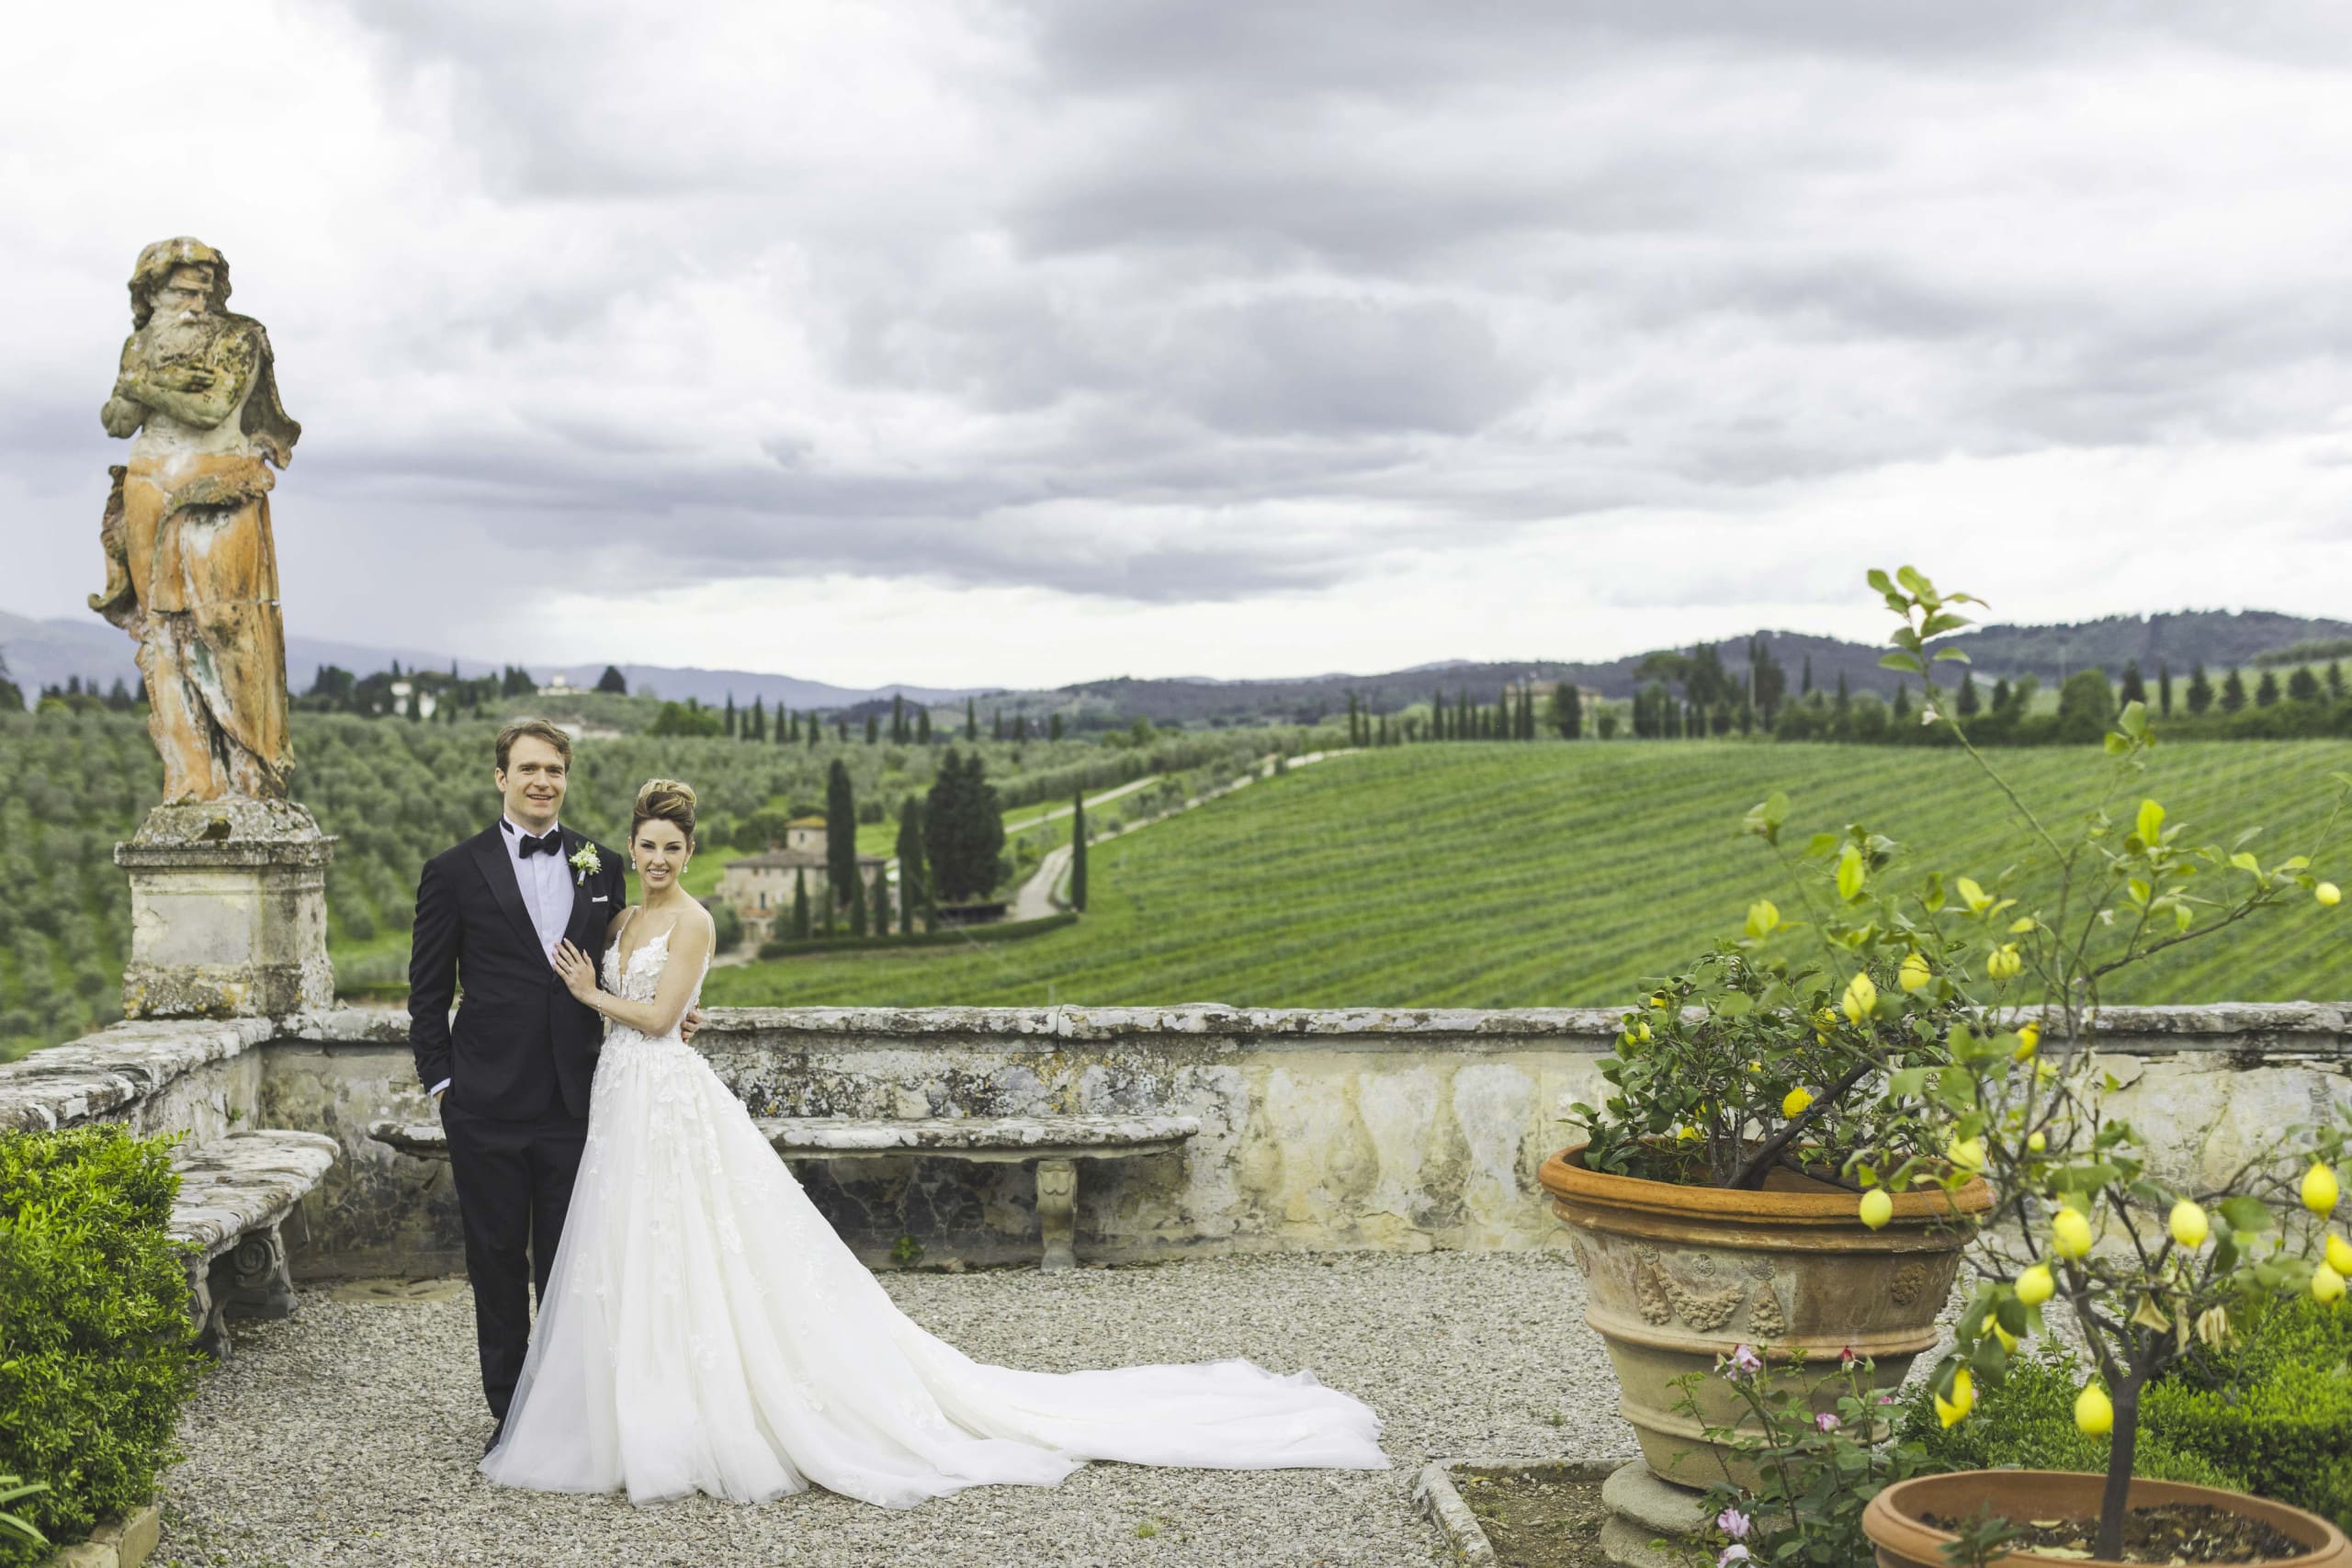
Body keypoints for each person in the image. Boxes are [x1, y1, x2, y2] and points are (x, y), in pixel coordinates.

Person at [482, 777, 1385, 1507]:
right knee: (637, 1251)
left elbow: (659, 1016)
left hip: (668, 1096)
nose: (657, 860)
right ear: (631, 846)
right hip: (622, 1097)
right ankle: (642, 1410)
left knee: (698, 1246)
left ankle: (717, 1414)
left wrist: (596, 996)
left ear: (691, 853)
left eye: (672, 848)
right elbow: (648, 1011)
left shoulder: (695, 920)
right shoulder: (621, 921)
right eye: (647, 846)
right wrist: (612, 1000)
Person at [407, 719, 629, 1452]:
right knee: (497, 1263)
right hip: (485, 1105)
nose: (543, 781)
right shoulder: (452, 870)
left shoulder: (602, 865)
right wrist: (444, 1086)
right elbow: (426, 993)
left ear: (566, 778)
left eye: (555, 769)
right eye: (529, 768)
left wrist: (671, 1007)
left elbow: (622, 966)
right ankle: (511, 1417)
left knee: (571, 1264)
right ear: (501, 777)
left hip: (573, 1100)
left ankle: (568, 1410)